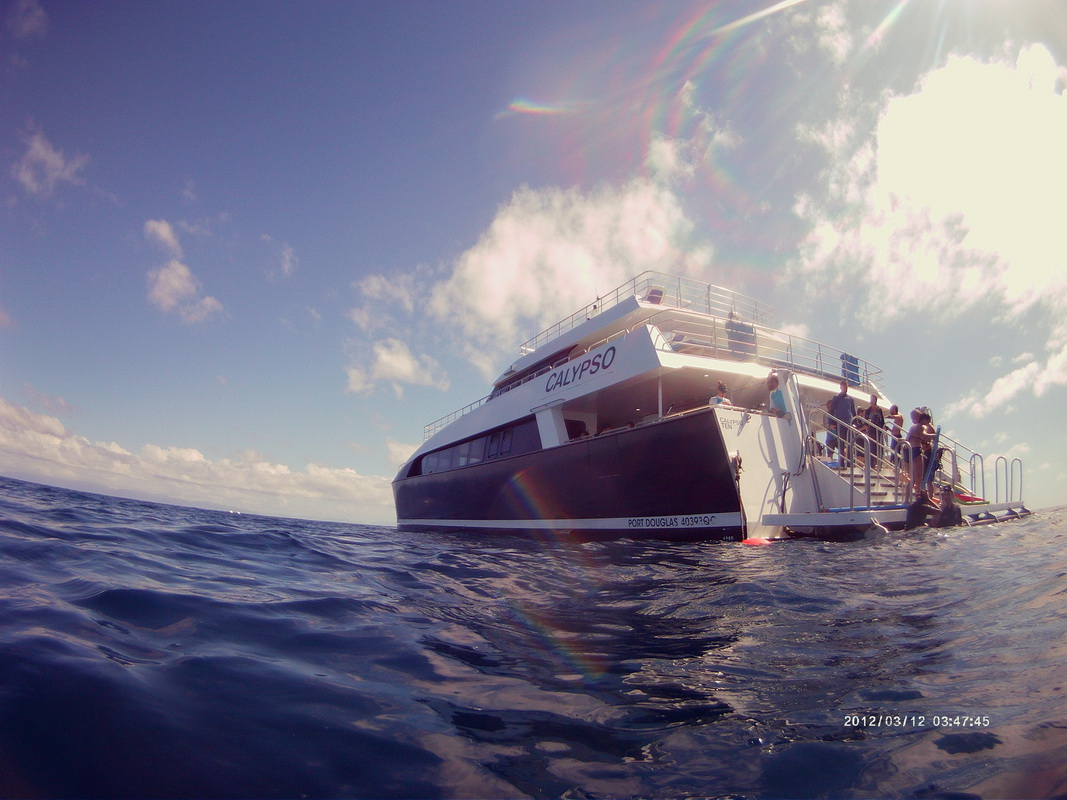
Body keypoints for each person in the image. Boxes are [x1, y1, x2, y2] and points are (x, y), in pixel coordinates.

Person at [828, 379, 856, 468]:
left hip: (849, 423)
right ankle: (841, 463)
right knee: (841, 444)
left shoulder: (850, 399)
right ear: (841, 387)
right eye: (844, 387)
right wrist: (831, 423)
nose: (845, 388)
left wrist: (856, 424)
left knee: (850, 444)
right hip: (840, 423)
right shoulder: (836, 398)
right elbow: (832, 411)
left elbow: (853, 412)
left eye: (846, 387)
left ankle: (849, 463)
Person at [861, 394, 886, 462]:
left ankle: (878, 462)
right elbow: (865, 421)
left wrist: (883, 428)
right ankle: (872, 463)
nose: (871, 400)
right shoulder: (868, 411)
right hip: (871, 432)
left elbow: (882, 421)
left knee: (879, 447)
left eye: (873, 399)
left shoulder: (879, 410)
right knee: (871, 448)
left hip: (878, 431)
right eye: (871, 399)